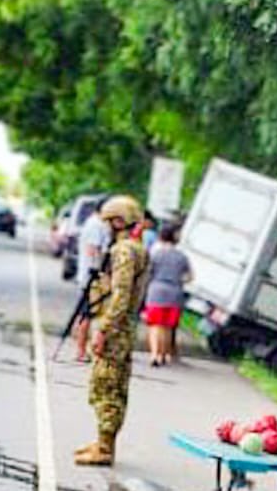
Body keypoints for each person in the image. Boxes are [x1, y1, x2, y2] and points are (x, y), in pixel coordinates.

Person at [75, 195, 151, 467]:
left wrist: (103, 330)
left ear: (119, 221)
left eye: (109, 222)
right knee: (114, 386)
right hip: (124, 327)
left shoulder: (123, 251)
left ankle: (105, 448)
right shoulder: (136, 248)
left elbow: (120, 295)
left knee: (106, 386)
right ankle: (103, 442)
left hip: (115, 329)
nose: (106, 227)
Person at [142, 220, 191, 367]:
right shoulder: (182, 257)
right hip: (175, 293)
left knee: (155, 325)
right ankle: (163, 355)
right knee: (168, 326)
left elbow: (147, 273)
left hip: (156, 291)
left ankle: (154, 355)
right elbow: (189, 277)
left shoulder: (156, 254)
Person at [72, 199, 111, 362]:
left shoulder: (93, 223)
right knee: (87, 314)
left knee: (85, 313)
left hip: (89, 275)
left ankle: (80, 348)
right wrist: (103, 270)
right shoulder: (96, 225)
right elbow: (93, 250)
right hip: (92, 277)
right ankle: (80, 351)